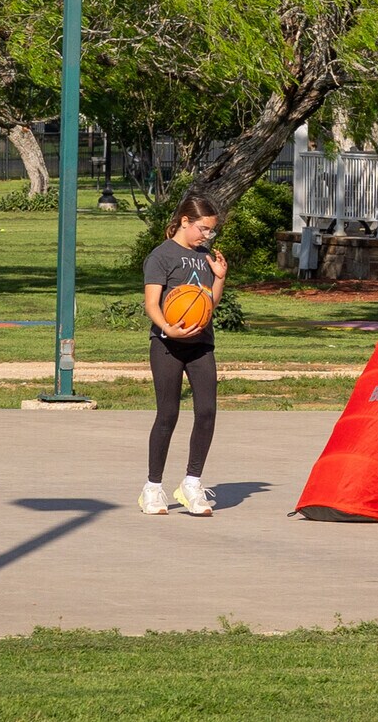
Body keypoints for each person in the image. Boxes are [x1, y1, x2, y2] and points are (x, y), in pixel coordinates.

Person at [140, 193, 228, 517]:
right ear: (185, 221)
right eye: (204, 229)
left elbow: (207, 305)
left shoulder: (205, 257)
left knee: (206, 411)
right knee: (168, 414)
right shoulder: (161, 257)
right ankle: (152, 488)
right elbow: (152, 304)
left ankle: (192, 483)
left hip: (201, 344)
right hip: (168, 344)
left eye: (211, 231)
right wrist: (168, 327)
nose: (207, 236)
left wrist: (219, 278)